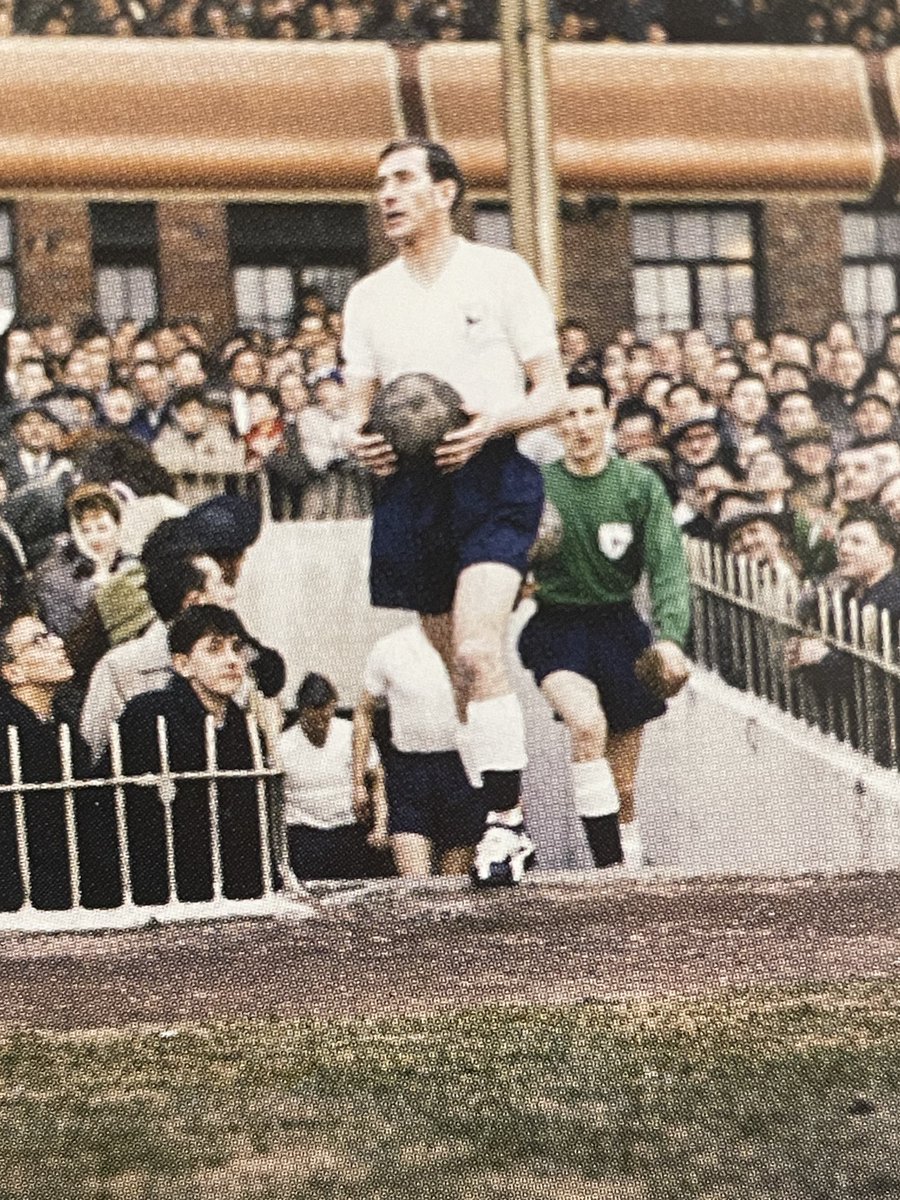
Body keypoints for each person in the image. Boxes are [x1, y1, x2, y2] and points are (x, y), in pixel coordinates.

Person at [341, 137, 567, 885]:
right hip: (411, 490)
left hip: (491, 476)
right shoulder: (369, 296)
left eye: (404, 180)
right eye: (380, 184)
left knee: (478, 651)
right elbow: (354, 410)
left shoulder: (499, 273)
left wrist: (492, 422)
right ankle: (500, 817)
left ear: (446, 191)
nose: (388, 195)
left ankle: (504, 826)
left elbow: (553, 392)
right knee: (457, 676)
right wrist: (356, 442)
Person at [517, 385, 692, 869]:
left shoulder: (638, 486)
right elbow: (502, 547)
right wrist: (513, 580)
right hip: (556, 627)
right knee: (587, 723)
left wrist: (672, 637)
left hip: (618, 628)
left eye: (589, 412)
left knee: (624, 787)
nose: (578, 424)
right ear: (555, 423)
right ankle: (607, 869)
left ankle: (628, 866)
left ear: (608, 417)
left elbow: (667, 564)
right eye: (567, 414)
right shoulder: (537, 485)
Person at [114, 604, 273, 904]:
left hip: (230, 889)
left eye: (236, 649)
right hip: (162, 889)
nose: (231, 660)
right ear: (182, 664)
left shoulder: (241, 724)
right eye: (214, 649)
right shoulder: (149, 715)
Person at [0, 611, 120, 911]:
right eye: (39, 641)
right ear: (12, 672)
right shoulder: (7, 732)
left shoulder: (63, 721)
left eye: (51, 633)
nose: (57, 643)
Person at [353, 619, 487, 877]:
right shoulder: (391, 647)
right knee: (414, 883)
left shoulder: (473, 645)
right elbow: (364, 711)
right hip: (409, 770)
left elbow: (493, 713)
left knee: (454, 886)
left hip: (461, 768)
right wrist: (358, 780)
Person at [279, 673, 391, 881]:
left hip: (347, 832)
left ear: (333, 706)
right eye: (312, 719)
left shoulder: (351, 734)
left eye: (324, 717)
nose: (319, 724)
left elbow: (377, 781)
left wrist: (381, 825)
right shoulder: (283, 745)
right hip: (303, 836)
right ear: (301, 710)